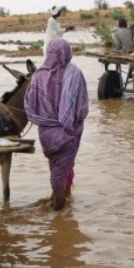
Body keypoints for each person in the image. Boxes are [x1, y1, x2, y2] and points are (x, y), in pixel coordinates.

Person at [23, 38, 89, 211]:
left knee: (56, 168)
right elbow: (80, 107)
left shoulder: (38, 75)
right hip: (67, 134)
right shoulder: (73, 73)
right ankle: (59, 214)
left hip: (46, 135)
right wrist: (70, 123)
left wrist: (44, 120)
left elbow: (29, 105)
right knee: (59, 177)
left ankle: (60, 213)